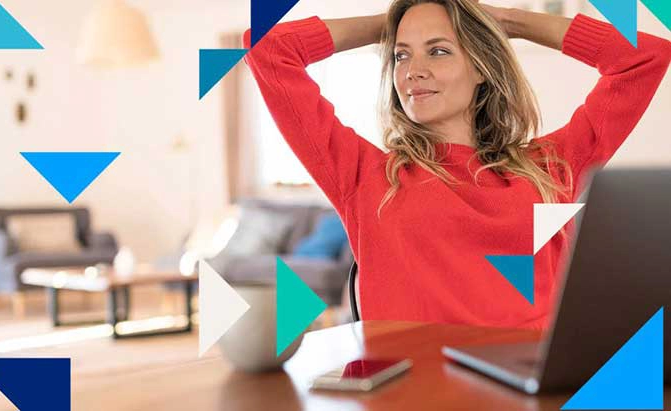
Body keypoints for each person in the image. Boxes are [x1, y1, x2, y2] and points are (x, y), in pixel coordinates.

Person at [241, 0, 671, 329]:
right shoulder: (362, 174)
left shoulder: (551, 166)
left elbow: (645, 57)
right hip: (411, 394)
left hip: (526, 395)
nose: (414, 71)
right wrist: (388, 26)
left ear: (482, 67)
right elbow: (268, 49)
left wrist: (509, 22)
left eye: (439, 51)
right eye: (401, 56)